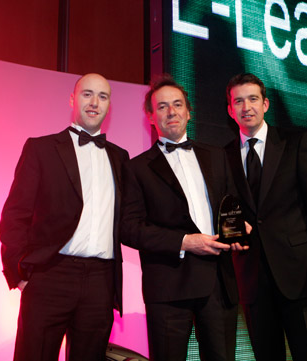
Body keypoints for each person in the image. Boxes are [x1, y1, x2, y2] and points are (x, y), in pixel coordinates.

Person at [0, 73, 129, 361]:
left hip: (100, 281)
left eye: (103, 96)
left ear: (109, 105)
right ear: (72, 99)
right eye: (87, 94)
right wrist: (19, 274)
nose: (94, 102)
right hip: (50, 276)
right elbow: (15, 215)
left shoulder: (121, 158)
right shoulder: (41, 149)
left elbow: (130, 219)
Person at [121, 74, 249, 361]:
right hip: (168, 286)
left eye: (177, 104)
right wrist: (184, 242)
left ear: (188, 112)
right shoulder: (136, 168)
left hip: (218, 282)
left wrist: (238, 231)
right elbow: (129, 229)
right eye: (163, 107)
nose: (171, 112)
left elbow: (231, 206)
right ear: (151, 117)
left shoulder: (217, 156)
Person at [224, 72, 307, 360]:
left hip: (299, 275)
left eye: (253, 99)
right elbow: (223, 207)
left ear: (265, 104)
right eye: (238, 101)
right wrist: (235, 230)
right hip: (252, 281)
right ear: (230, 110)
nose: (246, 107)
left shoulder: (295, 142)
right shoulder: (223, 155)